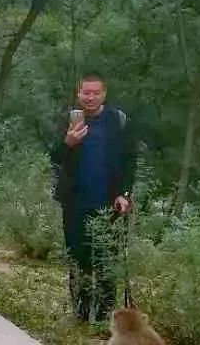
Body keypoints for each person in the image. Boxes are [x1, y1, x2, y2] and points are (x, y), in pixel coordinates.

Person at [49, 73, 137, 323]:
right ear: (78, 94)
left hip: (109, 205)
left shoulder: (117, 121)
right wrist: (68, 142)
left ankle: (104, 317)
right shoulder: (67, 120)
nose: (90, 97)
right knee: (78, 260)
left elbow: (130, 160)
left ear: (104, 94)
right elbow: (53, 156)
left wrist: (125, 194)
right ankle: (80, 313)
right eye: (86, 92)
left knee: (107, 262)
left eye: (95, 92)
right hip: (75, 203)